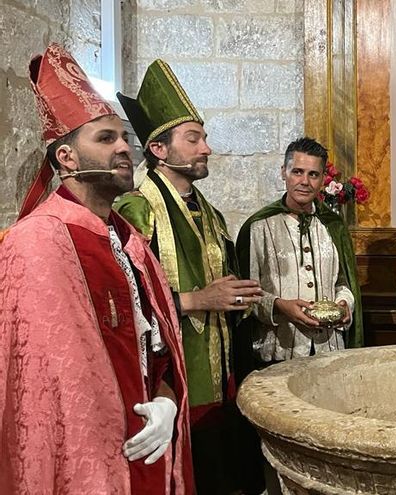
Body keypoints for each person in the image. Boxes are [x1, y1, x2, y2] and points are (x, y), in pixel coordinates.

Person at [0, 43, 193, 493]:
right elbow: (37, 392)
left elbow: (159, 350)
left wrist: (167, 404)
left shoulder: (132, 243)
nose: (125, 148)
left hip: (149, 448)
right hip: (88, 466)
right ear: (66, 158)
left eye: (124, 137)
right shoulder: (36, 244)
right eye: (106, 139)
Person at [114, 59, 264, 494]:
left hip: (220, 381)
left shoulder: (211, 214)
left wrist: (243, 298)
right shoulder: (137, 210)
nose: (206, 148)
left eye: (204, 137)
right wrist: (199, 299)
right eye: (193, 138)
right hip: (170, 386)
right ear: (159, 150)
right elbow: (124, 300)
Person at [235, 136, 363, 365]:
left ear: (323, 179)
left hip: (329, 350)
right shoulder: (259, 226)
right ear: (283, 172)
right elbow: (245, 294)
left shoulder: (333, 226)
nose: (305, 181)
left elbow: (343, 283)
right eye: (297, 171)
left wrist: (344, 305)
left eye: (313, 174)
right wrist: (279, 306)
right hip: (278, 350)